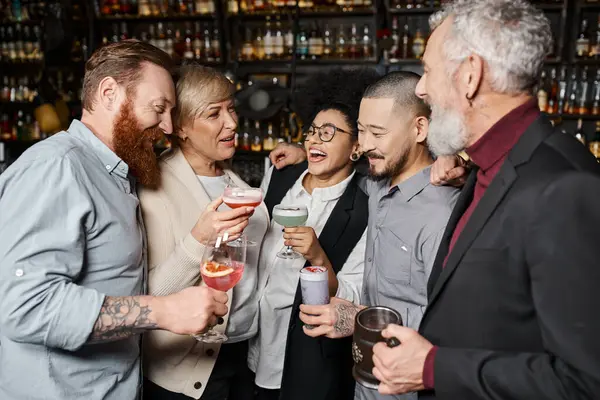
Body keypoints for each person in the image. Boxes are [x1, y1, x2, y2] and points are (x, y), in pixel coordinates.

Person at [366, 1, 600, 399]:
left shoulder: (566, 188)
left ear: (470, 75)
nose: (421, 88)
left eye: (429, 71)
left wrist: (433, 368)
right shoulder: (482, 166)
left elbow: (586, 382)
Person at [0, 41, 229, 400]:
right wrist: (163, 310)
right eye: (159, 108)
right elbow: (26, 307)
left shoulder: (118, 173)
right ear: (109, 93)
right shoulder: (57, 168)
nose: (168, 126)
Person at [292, 72, 460, 400]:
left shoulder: (441, 212)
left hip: (409, 388)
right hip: (366, 382)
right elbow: (341, 162)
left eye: (378, 133)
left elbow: (452, 324)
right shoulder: (378, 185)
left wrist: (360, 319)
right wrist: (303, 153)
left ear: (420, 129)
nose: (366, 144)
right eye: (362, 131)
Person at [247, 68, 379, 400]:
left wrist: (317, 256)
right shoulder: (280, 177)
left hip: (308, 355)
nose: (315, 139)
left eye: (329, 132)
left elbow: (351, 294)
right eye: (313, 131)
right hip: (253, 341)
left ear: (356, 147)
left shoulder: (365, 208)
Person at [140, 64, 269, 400]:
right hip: (189, 369)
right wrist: (198, 240)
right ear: (180, 127)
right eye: (215, 114)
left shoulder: (235, 183)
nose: (232, 123)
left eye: (231, 109)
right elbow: (149, 294)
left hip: (245, 355)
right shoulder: (155, 189)